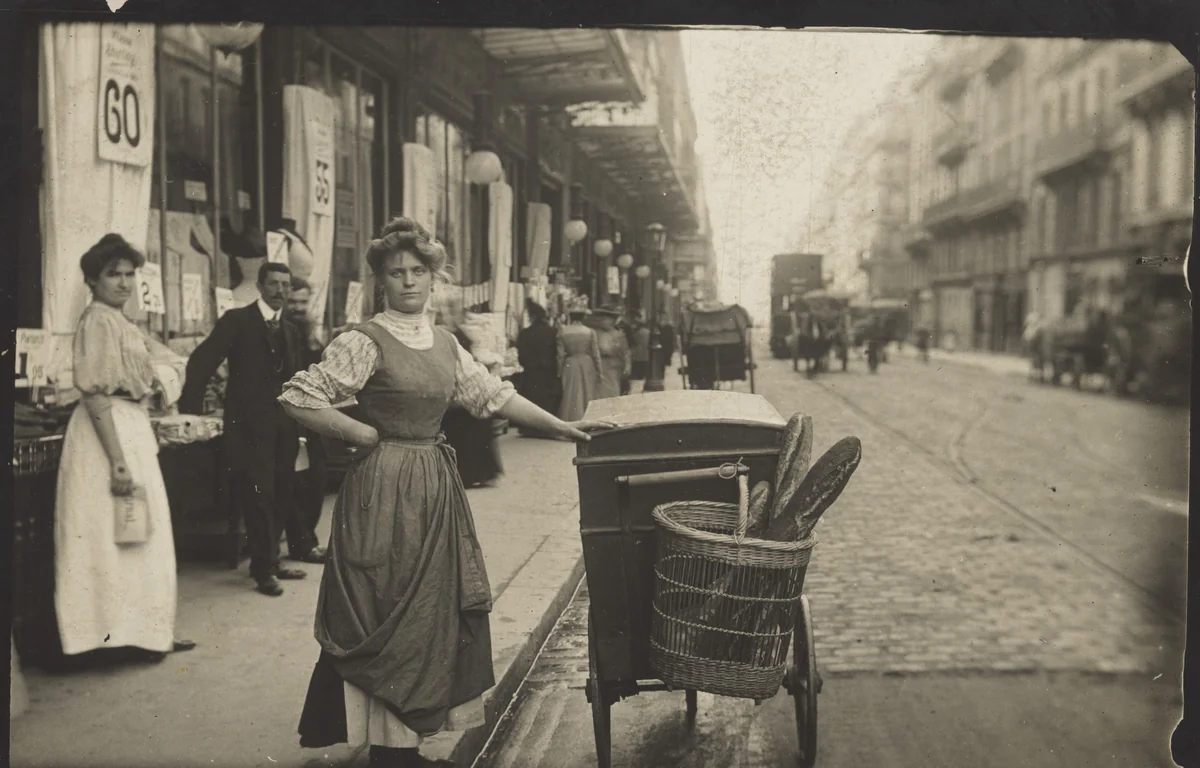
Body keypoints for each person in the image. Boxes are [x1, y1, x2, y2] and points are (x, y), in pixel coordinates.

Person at [281, 217, 609, 768]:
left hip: (434, 487)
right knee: (382, 604)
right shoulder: (363, 341)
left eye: (418, 272)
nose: (408, 282)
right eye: (395, 273)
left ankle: (403, 744)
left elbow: (495, 397)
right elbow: (297, 396)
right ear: (380, 282)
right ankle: (388, 750)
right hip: (381, 488)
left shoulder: (447, 345)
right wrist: (358, 431)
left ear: (434, 279)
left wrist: (564, 427)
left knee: (431, 609)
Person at [54, 233, 195, 660]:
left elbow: (164, 362)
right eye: (113, 274)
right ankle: (104, 636)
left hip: (129, 425)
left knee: (136, 535)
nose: (123, 282)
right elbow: (95, 393)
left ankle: (142, 632)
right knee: (106, 535)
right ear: (92, 281)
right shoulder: (97, 320)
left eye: (130, 274)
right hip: (105, 434)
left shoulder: (121, 321)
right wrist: (116, 461)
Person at [179, 262, 308, 597]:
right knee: (259, 496)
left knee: (282, 492)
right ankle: (263, 570)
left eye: (286, 285)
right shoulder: (237, 321)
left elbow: (299, 379)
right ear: (260, 286)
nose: (281, 290)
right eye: (274, 284)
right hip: (248, 428)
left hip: (284, 426)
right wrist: (189, 411)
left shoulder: (292, 331)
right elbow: (202, 361)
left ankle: (271, 561)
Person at [284, 276, 328, 563]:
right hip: (288, 413)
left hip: (312, 413)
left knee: (316, 477)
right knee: (298, 482)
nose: (299, 308)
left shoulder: (309, 329)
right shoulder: (279, 330)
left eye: (303, 302)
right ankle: (302, 544)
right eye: (293, 302)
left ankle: (306, 539)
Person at [439, 305, 503, 488]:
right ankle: (475, 472)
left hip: (459, 390)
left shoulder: (453, 336)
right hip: (460, 391)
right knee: (471, 435)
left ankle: (469, 473)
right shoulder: (457, 335)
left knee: (466, 435)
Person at [515, 299, 561, 438]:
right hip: (548, 372)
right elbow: (557, 353)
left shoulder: (524, 333)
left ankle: (530, 428)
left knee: (531, 399)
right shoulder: (553, 332)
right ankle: (546, 428)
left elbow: (521, 356)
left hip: (531, 372)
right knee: (547, 400)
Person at [557, 309, 602, 422]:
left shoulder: (563, 331)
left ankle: (570, 419)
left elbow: (560, 355)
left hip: (570, 363)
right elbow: (596, 353)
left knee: (570, 392)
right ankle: (587, 419)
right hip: (587, 362)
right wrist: (600, 371)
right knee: (587, 390)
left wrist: (559, 371)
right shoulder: (590, 331)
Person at [591, 306, 630, 399]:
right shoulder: (595, 333)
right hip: (599, 366)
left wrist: (627, 366)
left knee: (612, 391)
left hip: (613, 367)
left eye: (607, 319)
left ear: (612, 320)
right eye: (602, 319)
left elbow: (625, 352)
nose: (604, 321)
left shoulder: (619, 335)